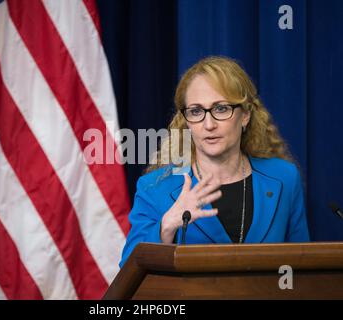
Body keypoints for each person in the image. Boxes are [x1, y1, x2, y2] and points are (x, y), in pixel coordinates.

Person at [119, 56, 310, 268]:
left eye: (221, 109)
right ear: (186, 120)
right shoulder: (155, 188)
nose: (208, 124)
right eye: (196, 111)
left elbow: (302, 268)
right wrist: (166, 226)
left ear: (245, 115)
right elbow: (129, 270)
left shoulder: (284, 178)